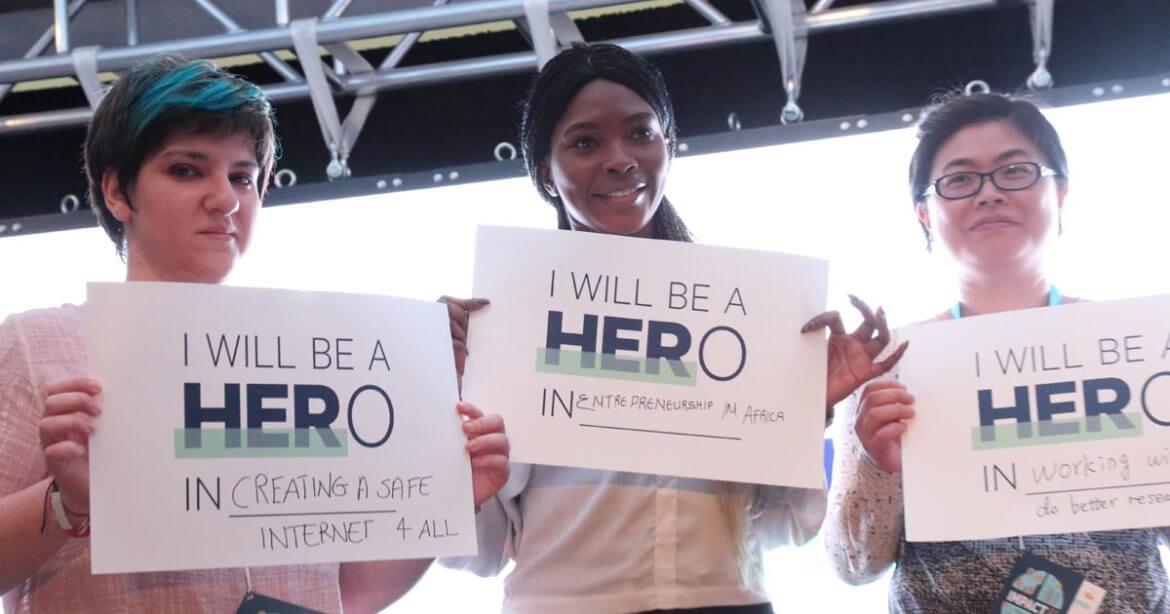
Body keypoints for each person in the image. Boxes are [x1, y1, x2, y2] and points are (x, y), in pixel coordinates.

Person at [0, 54, 509, 613]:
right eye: (187, 170)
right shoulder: (38, 345)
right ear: (118, 192)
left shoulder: (313, 362)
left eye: (243, 176)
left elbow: (351, 592)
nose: (226, 198)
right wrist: (64, 506)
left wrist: (448, 497)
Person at [439, 43, 904, 613]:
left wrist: (806, 409)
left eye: (641, 134)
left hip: (728, 601)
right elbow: (478, 553)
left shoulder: (745, 316)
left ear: (669, 145)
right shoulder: (499, 321)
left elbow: (786, 527)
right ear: (544, 170)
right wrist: (446, 407)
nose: (620, 159)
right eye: (585, 142)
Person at [824, 92, 1170, 611]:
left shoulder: (1142, 345)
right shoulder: (891, 364)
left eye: (1015, 171)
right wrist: (880, 466)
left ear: (1061, 192)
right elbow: (853, 565)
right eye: (960, 179)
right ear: (924, 213)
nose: (988, 193)